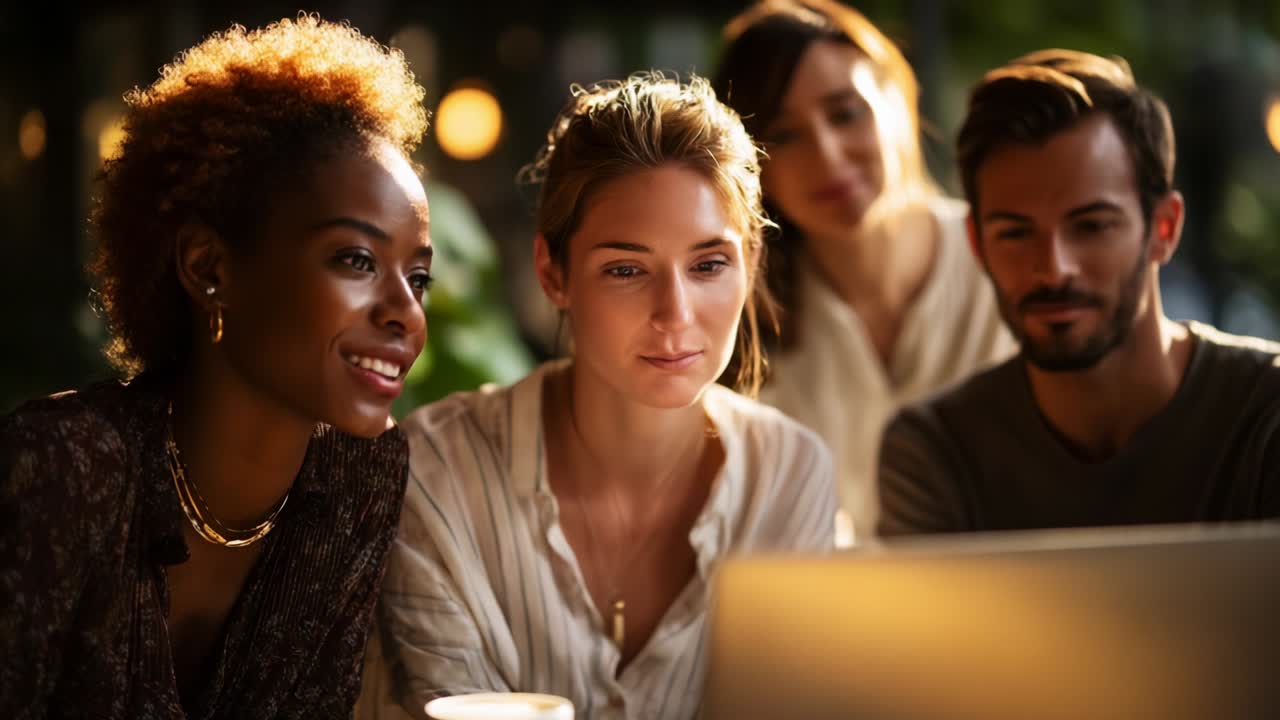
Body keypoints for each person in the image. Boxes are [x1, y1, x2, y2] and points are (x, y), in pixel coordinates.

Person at [357, 72, 837, 720]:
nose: (676, 314)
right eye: (626, 269)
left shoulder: (790, 475)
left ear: (750, 263)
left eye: (708, 264)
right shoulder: (439, 474)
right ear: (553, 273)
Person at [1, 16, 431, 717]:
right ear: (209, 268)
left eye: (418, 278)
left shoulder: (358, 478)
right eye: (356, 260)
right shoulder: (61, 472)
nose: (405, 312)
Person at [877, 49, 1280, 536]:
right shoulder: (935, 452)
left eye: (1091, 226)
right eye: (1016, 233)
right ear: (977, 242)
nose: (1053, 270)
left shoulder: (1265, 413)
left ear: (1164, 228)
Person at [713, 0, 1014, 545]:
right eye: (784, 135)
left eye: (846, 113)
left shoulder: (1012, 256)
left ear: (898, 101)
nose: (828, 157)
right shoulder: (741, 316)